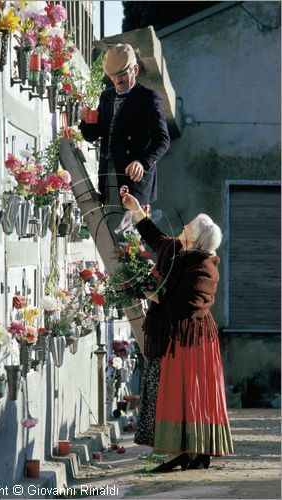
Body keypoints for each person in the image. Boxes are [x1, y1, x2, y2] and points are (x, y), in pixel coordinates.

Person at [120, 186, 234, 472]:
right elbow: (154, 237)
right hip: (173, 337)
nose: (184, 225)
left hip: (190, 341)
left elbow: (187, 303)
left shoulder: (204, 268)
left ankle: (186, 451)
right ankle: (184, 452)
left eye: (189, 225)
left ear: (194, 237)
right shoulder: (175, 251)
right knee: (170, 392)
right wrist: (135, 208)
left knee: (183, 394)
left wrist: (150, 291)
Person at [79, 43, 170, 243]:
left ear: (135, 70)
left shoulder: (149, 98)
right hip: (109, 173)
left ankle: (122, 273)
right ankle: (120, 273)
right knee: (113, 232)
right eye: (112, 75)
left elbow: (162, 140)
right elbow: (94, 135)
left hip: (132, 178)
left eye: (121, 74)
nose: (117, 80)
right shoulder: (107, 96)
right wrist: (87, 122)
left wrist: (142, 161)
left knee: (121, 236)